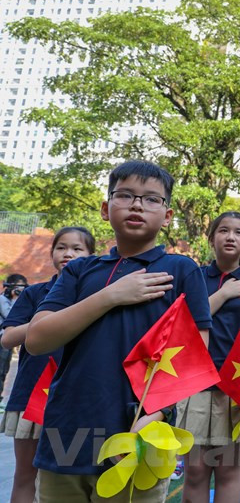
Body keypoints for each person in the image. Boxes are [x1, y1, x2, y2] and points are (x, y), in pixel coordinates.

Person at [25, 160, 213, 502]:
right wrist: (111, 296)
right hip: (66, 428)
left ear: (168, 216)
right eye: (125, 195)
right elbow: (37, 340)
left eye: (151, 199)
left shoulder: (181, 269)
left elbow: (194, 356)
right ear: (104, 208)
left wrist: (157, 414)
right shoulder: (81, 270)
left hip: (138, 434)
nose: (138, 204)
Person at [176, 211, 240, 503]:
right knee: (195, 471)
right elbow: (185, 324)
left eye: (238, 232)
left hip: (235, 387)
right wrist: (224, 293)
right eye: (223, 231)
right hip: (195, 384)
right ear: (211, 237)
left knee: (229, 471)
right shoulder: (194, 277)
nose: (230, 237)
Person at [1, 227, 95, 503]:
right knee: (26, 476)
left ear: (91, 256)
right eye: (61, 247)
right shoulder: (34, 293)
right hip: (31, 396)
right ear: (52, 252)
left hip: (76, 399)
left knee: (70, 479)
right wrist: (47, 323)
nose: (68, 254)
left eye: (78, 249)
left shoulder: (96, 297)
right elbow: (8, 338)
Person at [0, 273, 28, 404]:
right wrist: (16, 298)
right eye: (18, 287)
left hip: (7, 341)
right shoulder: (2, 299)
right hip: (2, 338)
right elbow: (10, 315)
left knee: (4, 370)